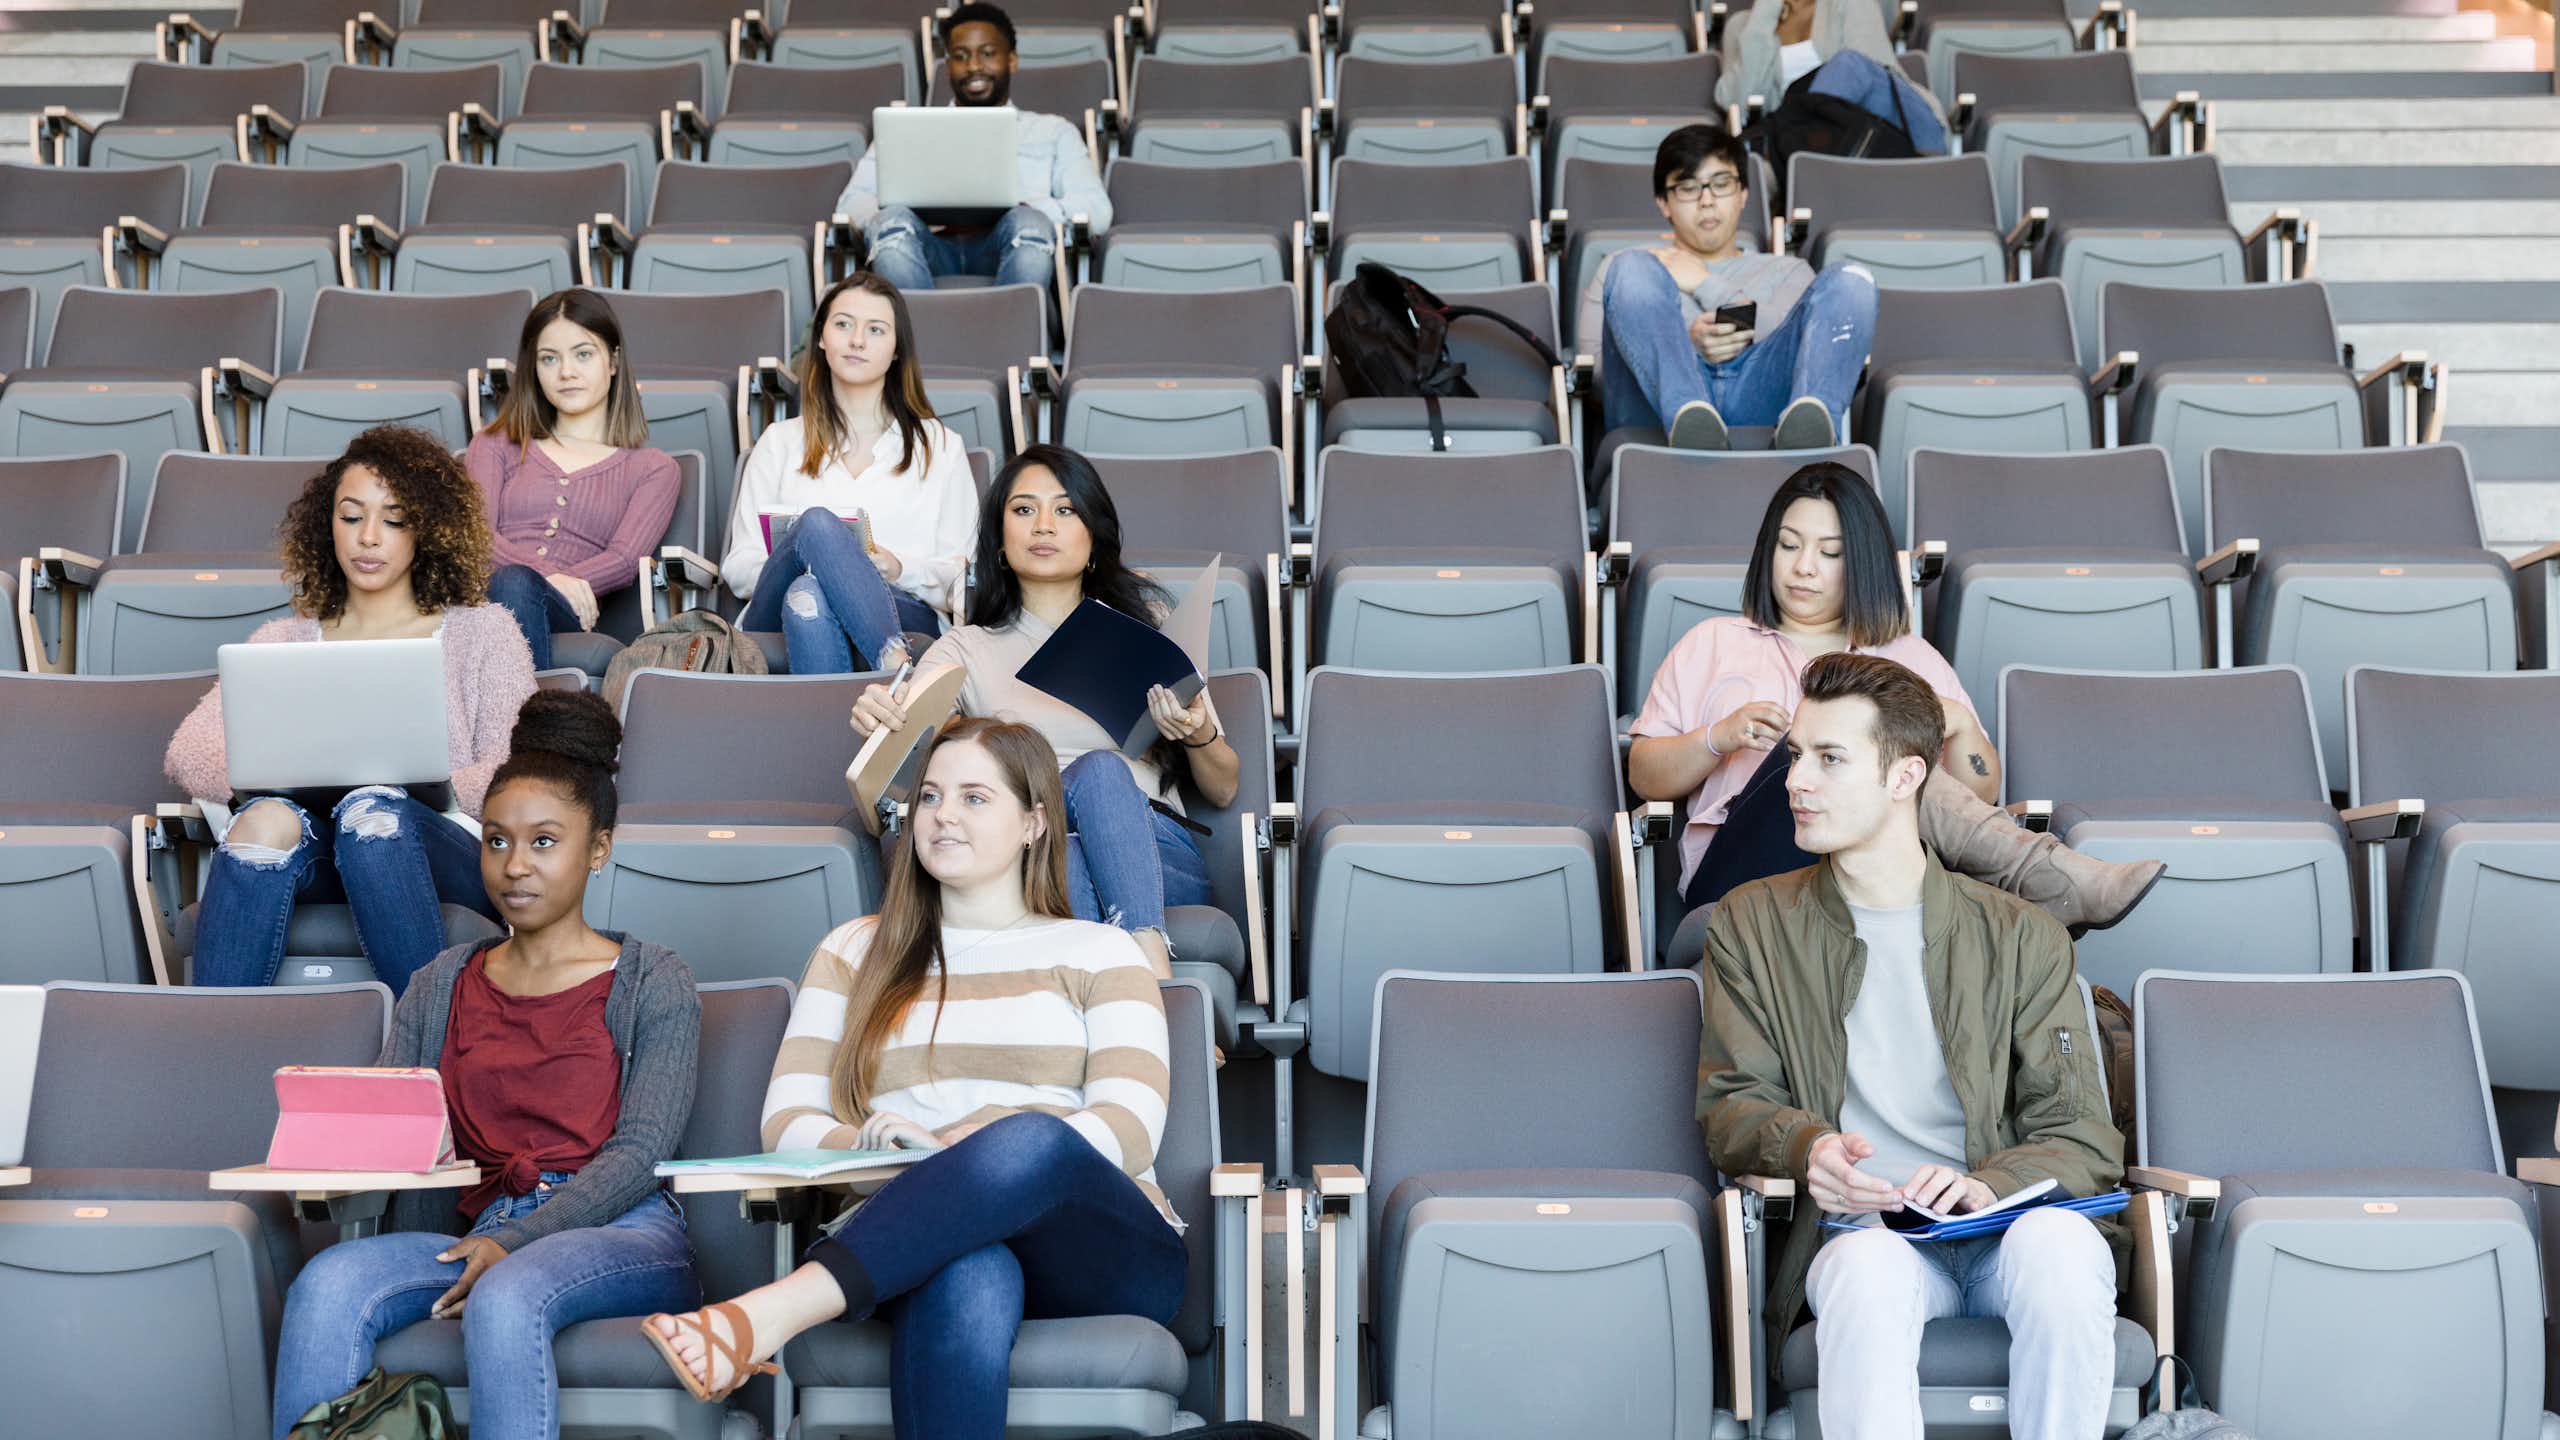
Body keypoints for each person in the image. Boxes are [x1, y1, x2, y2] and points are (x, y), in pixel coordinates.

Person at [641, 718, 1185, 1440]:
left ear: (1035, 823)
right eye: (930, 797)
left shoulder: (1102, 952)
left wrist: (969, 1144)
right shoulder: (853, 951)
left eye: (974, 798)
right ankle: (782, 1308)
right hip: (911, 1233)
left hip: (1096, 1250)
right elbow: (789, 1120)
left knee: (1031, 1140)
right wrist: (892, 1157)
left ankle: (773, 1313)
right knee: (969, 1269)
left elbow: (1129, 1128)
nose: (943, 816)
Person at [1698, 651, 2124, 1440]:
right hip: (1865, 1234)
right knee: (1864, 1275)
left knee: (2064, 1253)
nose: (1795, 781)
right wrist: (1808, 1148)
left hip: (2003, 1232)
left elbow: (2080, 1135)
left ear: (1904, 779)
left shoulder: (2020, 934)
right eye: (1797, 755)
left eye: (1829, 759)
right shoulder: (1751, 923)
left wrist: (1990, 1185)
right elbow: (1733, 1106)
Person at [268, 688, 703, 1440]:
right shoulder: (441, 981)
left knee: (508, 1292)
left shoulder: (653, 977)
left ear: (598, 849)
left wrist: (519, 1241)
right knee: (327, 1283)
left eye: (544, 841)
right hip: (477, 1231)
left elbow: (640, 1156)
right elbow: (386, 1129)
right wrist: (328, 1154)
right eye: (496, 841)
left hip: (619, 1231)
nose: (514, 866)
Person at [1627, 462, 2162, 930]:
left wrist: (1960, 729)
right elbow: (1644, 776)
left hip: (1886, 880)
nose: (1803, 566)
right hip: (1747, 873)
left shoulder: (1911, 656)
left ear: (1860, 562)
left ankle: (2041, 885)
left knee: (1894, 773)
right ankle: (2051, 880)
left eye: (1828, 552)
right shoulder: (1712, 643)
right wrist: (1718, 738)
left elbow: (1976, 797)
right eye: (1788, 545)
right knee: (1860, 764)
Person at [165, 425, 538, 996]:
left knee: (373, 809)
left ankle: (431, 1047)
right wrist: (285, 780)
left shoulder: (483, 632)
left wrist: (406, 783)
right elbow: (189, 752)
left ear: (425, 531)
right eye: (350, 516)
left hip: (435, 844)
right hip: (319, 846)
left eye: (393, 520)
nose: (368, 537)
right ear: (327, 525)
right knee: (263, 821)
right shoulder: (281, 639)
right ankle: (214, 1050)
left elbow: (516, 763)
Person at [846, 445, 1233, 979]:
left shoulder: (1148, 628)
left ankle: (1144, 970)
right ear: (1001, 543)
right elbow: (891, 791)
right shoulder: (965, 648)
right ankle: (1149, 994)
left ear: (1093, 537)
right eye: (1024, 510)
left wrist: (1197, 733)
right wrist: (879, 725)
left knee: (1101, 773)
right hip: (1031, 849)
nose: (1044, 525)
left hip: (1151, 847)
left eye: (1065, 509)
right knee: (1063, 854)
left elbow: (1224, 789)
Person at [722, 273, 976, 672]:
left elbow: (961, 579)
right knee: (817, 527)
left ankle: (821, 732)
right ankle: (893, 661)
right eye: (843, 324)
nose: (857, 340)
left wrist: (899, 568)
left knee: (809, 593)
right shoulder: (779, 441)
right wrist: (820, 560)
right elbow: (738, 568)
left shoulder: (941, 446)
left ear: (896, 350)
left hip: (903, 607)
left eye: (876, 330)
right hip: (773, 610)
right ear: (821, 338)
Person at [1597, 124, 1876, 451]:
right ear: (1663, 202)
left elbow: (1808, 343)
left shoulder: (1787, 269)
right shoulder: (1627, 271)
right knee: (1631, 265)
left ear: (1743, 193)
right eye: (1688, 187)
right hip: (1655, 409)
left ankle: (1814, 435)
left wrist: (1704, 282)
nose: (1706, 201)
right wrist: (1679, 349)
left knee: (1851, 279)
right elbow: (1600, 378)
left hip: (1759, 393)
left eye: (1721, 184)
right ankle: (1687, 413)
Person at [469, 287, 682, 672]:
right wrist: (548, 575)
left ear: (613, 361)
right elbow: (475, 537)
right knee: (512, 582)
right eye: (549, 359)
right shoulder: (494, 443)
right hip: (480, 597)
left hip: (565, 611)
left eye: (583, 354)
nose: (566, 372)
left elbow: (622, 560)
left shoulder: (653, 468)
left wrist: (549, 586)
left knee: (517, 583)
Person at [835, 1, 1111, 292]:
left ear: (1012, 60)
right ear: (948, 65)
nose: (974, 66)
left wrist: (1029, 207)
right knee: (892, 222)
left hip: (1008, 250)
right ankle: (916, 334)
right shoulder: (907, 128)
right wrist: (907, 210)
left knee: (1029, 223)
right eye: (960, 56)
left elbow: (1097, 209)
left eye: (988, 53)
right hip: (930, 250)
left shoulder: (1053, 131)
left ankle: (1014, 331)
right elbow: (851, 205)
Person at [1716, 0, 1936, 114]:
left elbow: (1873, 75)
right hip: (1788, 146)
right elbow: (1738, 106)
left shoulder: (1848, 4)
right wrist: (1763, 14)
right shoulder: (1742, 27)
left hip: (1852, 134)